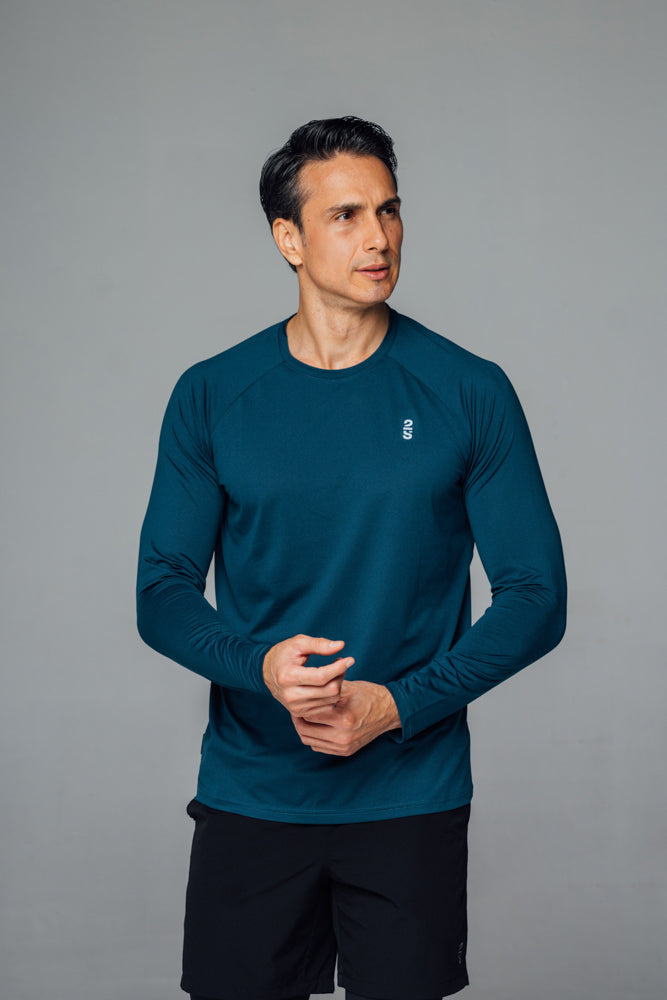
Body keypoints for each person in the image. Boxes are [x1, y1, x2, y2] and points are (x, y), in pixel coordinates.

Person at [137, 116, 566, 1000]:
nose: (378, 237)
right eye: (345, 215)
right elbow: (162, 592)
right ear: (287, 238)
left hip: (409, 795)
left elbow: (535, 596)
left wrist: (397, 705)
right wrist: (259, 667)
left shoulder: (468, 390)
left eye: (388, 209)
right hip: (254, 792)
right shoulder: (213, 394)